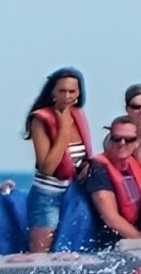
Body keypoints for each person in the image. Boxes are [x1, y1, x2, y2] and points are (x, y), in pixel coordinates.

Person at [24, 67, 91, 251]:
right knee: (41, 252)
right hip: (47, 197)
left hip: (75, 194)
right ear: (53, 92)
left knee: (73, 248)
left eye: (72, 91)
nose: (67, 96)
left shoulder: (78, 116)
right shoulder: (40, 119)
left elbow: (82, 157)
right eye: (62, 91)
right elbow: (47, 166)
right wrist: (62, 129)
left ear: (78, 94)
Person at [85, 116, 141, 249]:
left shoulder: (133, 164)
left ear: (137, 142)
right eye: (117, 138)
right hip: (111, 244)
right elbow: (111, 219)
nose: (122, 143)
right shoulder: (99, 169)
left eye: (129, 139)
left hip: (135, 233)